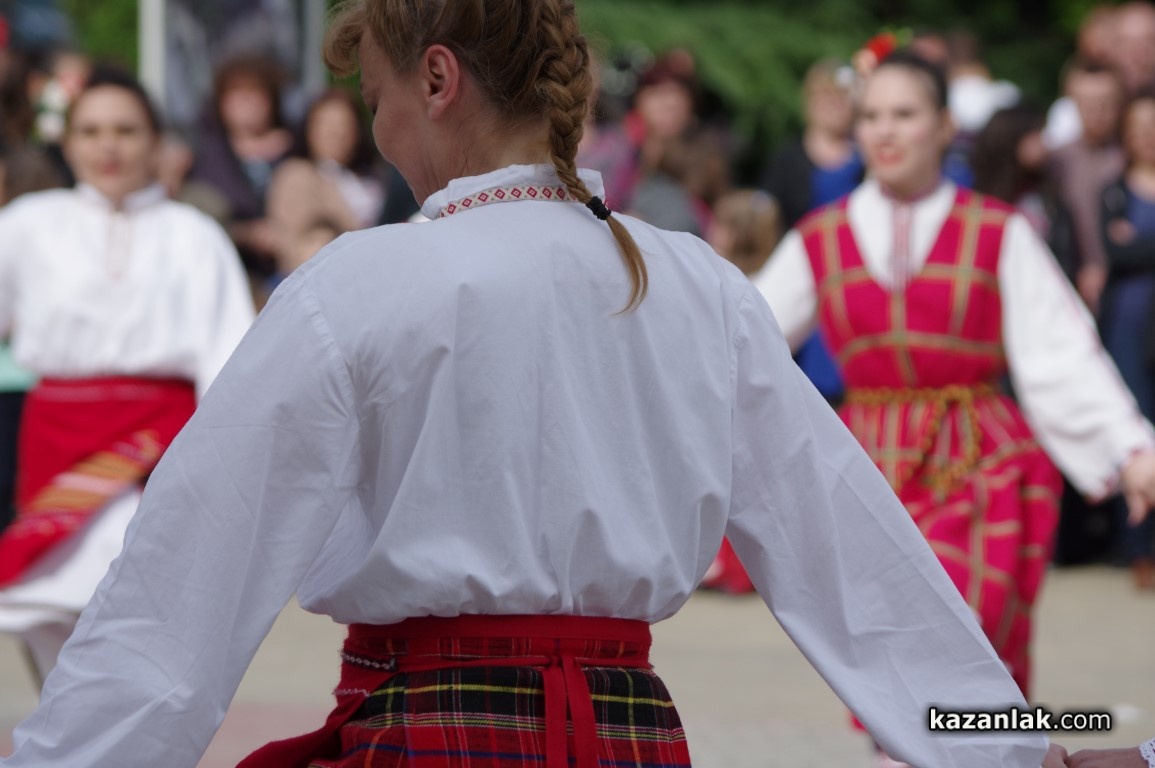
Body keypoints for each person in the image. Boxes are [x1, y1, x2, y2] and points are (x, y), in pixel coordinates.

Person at [0, 6, 1084, 768]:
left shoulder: (357, 286)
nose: (377, 129)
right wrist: (1021, 745)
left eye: (377, 95)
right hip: (630, 740)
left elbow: (180, 597)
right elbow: (851, 556)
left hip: (424, 738)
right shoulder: (695, 283)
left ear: (437, 79)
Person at [753, 47, 1155, 725]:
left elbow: (1057, 352)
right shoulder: (820, 237)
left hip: (979, 463)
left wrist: (1129, 449)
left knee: (966, 645)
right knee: (887, 668)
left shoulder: (998, 231)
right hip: (868, 473)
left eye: (904, 114)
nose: (884, 131)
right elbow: (741, 341)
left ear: (943, 126)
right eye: (870, 116)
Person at [0, 68, 254, 685]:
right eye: (90, 131)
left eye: (125, 130)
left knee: (130, 610)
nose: (107, 146)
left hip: (157, 449)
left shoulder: (194, 235)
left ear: (156, 141)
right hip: (56, 444)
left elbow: (229, 361)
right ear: (67, 142)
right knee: (52, 622)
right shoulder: (28, 223)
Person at [1099, 89, 1155, 588]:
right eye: (1138, 128)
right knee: (1134, 430)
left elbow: (1130, 249)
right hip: (1129, 327)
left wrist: (1137, 245)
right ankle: (1138, 547)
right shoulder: (1113, 191)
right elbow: (1113, 253)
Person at [266, 87, 385, 275]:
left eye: (344, 124)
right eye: (326, 124)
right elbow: (300, 245)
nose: (335, 133)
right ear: (309, 130)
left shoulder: (374, 177)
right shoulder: (297, 175)